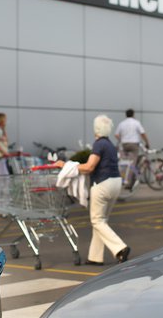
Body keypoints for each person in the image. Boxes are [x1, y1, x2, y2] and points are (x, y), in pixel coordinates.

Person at [54, 114, 131, 266]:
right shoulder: (110, 144)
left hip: (102, 184)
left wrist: (66, 166)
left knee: (97, 220)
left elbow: (89, 167)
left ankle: (120, 248)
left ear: (96, 128)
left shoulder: (99, 144)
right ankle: (95, 257)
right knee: (101, 221)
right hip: (116, 183)